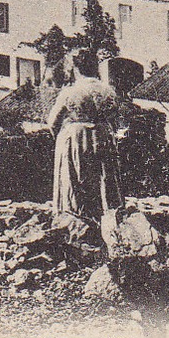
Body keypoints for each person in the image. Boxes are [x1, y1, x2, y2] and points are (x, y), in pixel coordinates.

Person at [45, 49, 122, 227]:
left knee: (76, 184)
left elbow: (52, 123)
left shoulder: (70, 91)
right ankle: (109, 224)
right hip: (102, 138)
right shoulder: (108, 91)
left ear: (76, 68)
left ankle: (76, 225)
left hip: (76, 140)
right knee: (104, 181)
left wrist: (65, 138)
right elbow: (117, 122)